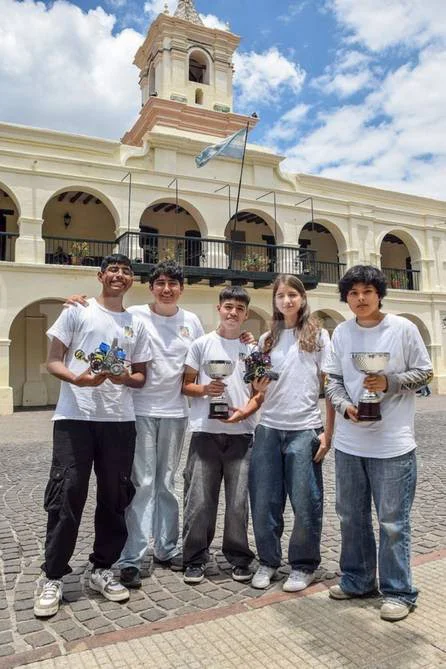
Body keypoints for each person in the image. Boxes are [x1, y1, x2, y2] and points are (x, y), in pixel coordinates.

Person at [34, 254, 151, 618]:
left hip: (119, 420)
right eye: (113, 270)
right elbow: (53, 360)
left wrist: (122, 378)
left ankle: (102, 567)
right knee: (67, 492)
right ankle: (53, 575)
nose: (119, 276)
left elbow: (141, 376)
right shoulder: (77, 311)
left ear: (132, 280)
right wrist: (77, 379)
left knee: (115, 495)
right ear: (101, 276)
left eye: (126, 271)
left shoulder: (137, 323)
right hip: (75, 417)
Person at [323, 265, 433, 622]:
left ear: (379, 293)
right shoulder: (341, 331)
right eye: (353, 293)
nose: (360, 299)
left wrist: (390, 382)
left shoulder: (402, 328)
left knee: (392, 521)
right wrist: (344, 406)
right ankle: (357, 580)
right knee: (351, 517)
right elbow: (334, 380)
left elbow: (425, 372)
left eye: (367, 292)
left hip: (393, 445)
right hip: (350, 443)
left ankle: (399, 591)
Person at [249, 274, 335, 591]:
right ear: (274, 300)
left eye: (293, 295)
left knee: (306, 501)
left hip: (304, 428)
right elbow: (258, 389)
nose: (287, 300)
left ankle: (303, 564)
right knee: (264, 501)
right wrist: (255, 388)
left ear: (302, 299)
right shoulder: (266, 340)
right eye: (281, 295)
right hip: (269, 427)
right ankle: (268, 561)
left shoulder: (319, 336)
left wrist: (328, 434)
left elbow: (330, 388)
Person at [181, 286, 265, 585]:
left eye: (239, 309)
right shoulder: (201, 345)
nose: (233, 312)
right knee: (199, 499)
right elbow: (186, 385)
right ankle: (194, 557)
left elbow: (259, 392)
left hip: (242, 433)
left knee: (238, 501)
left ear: (245, 314)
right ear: (219, 308)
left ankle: (239, 556)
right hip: (206, 431)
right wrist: (205, 389)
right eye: (228, 306)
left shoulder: (251, 350)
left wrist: (245, 412)